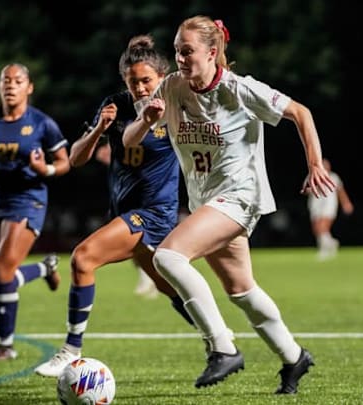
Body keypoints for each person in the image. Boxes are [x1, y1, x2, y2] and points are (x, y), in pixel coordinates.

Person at [123, 16, 337, 394]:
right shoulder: (171, 87)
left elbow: (301, 113)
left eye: (187, 51)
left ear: (212, 52)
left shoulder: (240, 89)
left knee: (168, 257)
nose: (180, 58)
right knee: (241, 290)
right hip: (207, 201)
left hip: (240, 197)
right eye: (177, 51)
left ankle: (222, 347)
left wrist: (315, 164)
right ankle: (294, 357)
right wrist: (146, 122)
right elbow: (128, 140)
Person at [34, 35, 197, 378]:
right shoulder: (115, 105)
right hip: (123, 211)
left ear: (162, 77)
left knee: (82, 258)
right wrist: (99, 129)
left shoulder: (175, 107)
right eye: (133, 81)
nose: (140, 88)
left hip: (153, 213)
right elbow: (76, 159)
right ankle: (218, 338)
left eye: (146, 80)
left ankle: (70, 350)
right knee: (166, 284)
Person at [0, 63, 71, 361]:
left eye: (18, 81)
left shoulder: (42, 123)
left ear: (29, 88)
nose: (11, 85)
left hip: (28, 198)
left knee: (3, 269)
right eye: (6, 80)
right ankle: (44, 269)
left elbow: (64, 161)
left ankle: (5, 346)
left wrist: (45, 169)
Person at [95, 137, 159, 298]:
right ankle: (148, 277)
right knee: (135, 244)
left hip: (142, 196)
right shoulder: (117, 134)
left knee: (143, 241)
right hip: (122, 195)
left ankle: (156, 278)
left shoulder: (149, 137)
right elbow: (100, 154)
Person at [307, 158, 353, 260]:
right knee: (316, 229)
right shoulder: (312, 175)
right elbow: (306, 189)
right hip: (315, 205)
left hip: (329, 205)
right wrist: (312, 188)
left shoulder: (333, 177)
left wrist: (346, 203)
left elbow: (340, 191)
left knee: (322, 227)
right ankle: (331, 243)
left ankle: (324, 250)